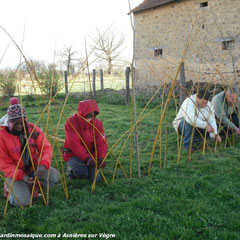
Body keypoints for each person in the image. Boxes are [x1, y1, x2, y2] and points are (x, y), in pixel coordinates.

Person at [0, 97, 60, 207]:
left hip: (33, 168)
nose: (19, 126)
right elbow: (4, 163)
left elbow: (46, 148)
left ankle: (30, 186)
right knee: (24, 202)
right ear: (10, 122)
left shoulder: (32, 129)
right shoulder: (2, 137)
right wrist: (21, 176)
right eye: (16, 124)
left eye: (22, 123)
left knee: (54, 177)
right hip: (15, 174)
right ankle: (10, 190)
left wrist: (43, 165)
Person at [63, 99, 108, 183]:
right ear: (82, 114)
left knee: (95, 179)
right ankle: (71, 170)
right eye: (88, 116)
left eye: (93, 115)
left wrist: (101, 157)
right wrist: (87, 159)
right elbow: (74, 144)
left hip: (91, 155)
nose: (90, 119)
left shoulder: (97, 123)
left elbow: (101, 142)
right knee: (82, 172)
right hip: (73, 154)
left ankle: (88, 167)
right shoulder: (71, 123)